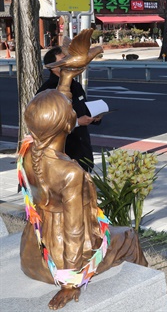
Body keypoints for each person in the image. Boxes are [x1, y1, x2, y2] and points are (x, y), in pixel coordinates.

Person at [19, 72, 147, 309]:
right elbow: (75, 232)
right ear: (68, 124)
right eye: (71, 112)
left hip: (33, 256)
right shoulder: (70, 173)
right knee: (129, 236)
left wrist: (66, 76)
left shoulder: (27, 152)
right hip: (58, 263)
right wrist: (70, 283)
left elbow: (59, 108)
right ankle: (149, 302)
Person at [37, 46, 100, 172]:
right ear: (52, 66)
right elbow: (47, 123)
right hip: (64, 152)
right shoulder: (47, 91)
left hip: (83, 149)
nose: (69, 63)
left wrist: (96, 116)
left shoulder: (75, 85)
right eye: (63, 60)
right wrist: (77, 122)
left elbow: (84, 109)